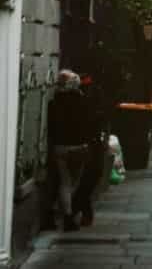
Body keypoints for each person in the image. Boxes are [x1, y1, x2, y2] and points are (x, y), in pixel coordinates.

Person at [47, 70, 92, 231]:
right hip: (79, 146)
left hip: (60, 147)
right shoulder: (83, 102)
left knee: (64, 182)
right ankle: (69, 214)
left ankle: (66, 214)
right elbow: (88, 124)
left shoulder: (54, 103)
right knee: (75, 182)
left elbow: (51, 126)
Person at [71, 73, 107, 228]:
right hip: (87, 144)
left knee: (89, 178)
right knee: (89, 178)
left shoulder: (90, 97)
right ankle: (78, 210)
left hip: (90, 142)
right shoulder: (84, 100)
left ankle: (78, 209)